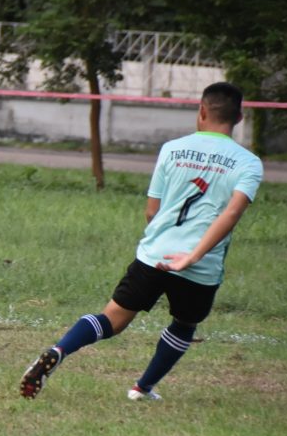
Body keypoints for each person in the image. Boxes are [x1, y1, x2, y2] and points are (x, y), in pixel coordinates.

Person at [19, 82, 263, 401]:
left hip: (154, 256)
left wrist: (162, 240)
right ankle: (142, 388)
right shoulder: (248, 163)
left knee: (112, 319)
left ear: (202, 111)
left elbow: (152, 211)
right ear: (239, 118)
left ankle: (59, 350)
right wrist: (191, 257)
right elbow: (231, 214)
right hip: (200, 265)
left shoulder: (172, 149)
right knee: (184, 324)